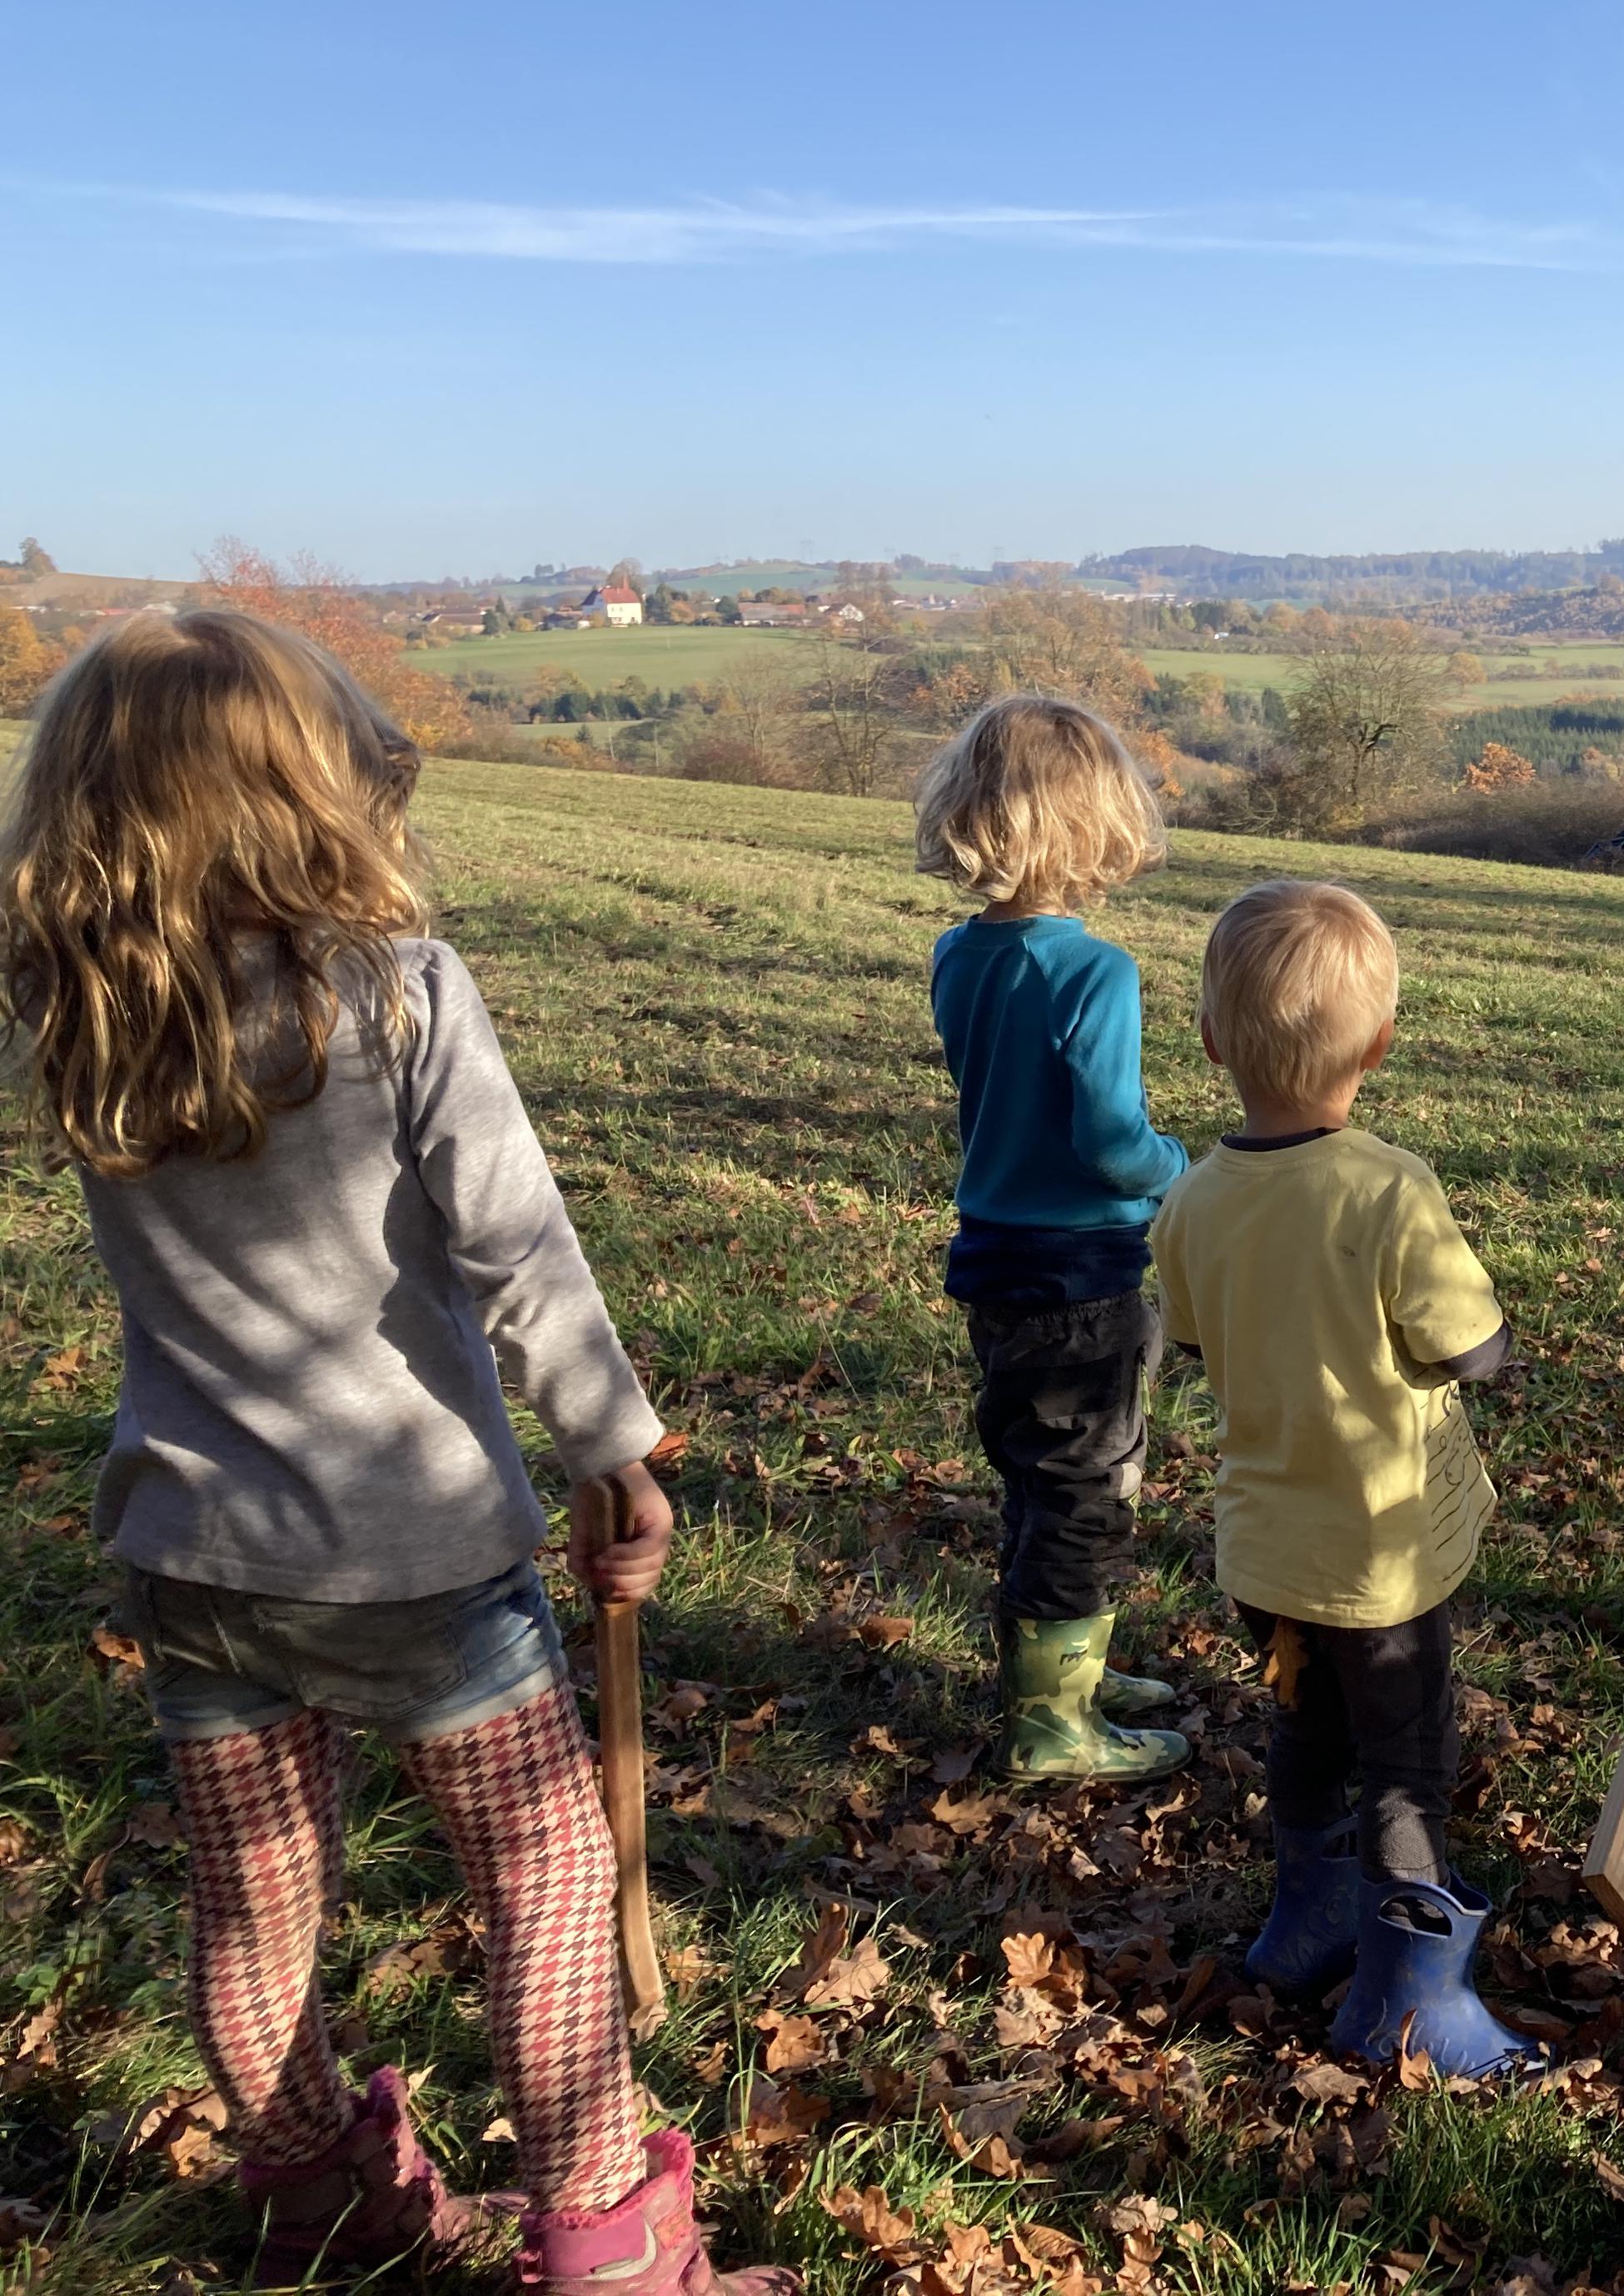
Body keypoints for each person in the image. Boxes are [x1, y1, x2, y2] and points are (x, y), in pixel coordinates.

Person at [0, 612, 788, 2296]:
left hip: (196, 1552)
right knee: (549, 1876)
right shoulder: (399, 991)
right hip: (415, 1558)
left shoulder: (79, 1004)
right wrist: (616, 1449)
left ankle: (318, 2201)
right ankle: (603, 2240)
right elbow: (517, 1252)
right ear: (304, 791)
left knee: (251, 1905)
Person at [1148, 880, 1536, 2078]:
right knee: (1405, 1764)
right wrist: (1490, 1351)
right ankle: (1408, 1997)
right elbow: (1471, 1344)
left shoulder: (1192, 1198)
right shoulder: (1387, 1188)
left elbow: (1196, 1337)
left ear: (1212, 1042)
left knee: (1305, 1729)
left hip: (1264, 1556)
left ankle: (1305, 1918)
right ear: (1379, 1043)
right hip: (1385, 1562)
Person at [914, 695, 1189, 1784]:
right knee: (1083, 1492)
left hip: (995, 1259)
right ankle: (1049, 1725)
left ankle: (1062, 1670)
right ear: (1098, 821)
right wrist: (1188, 1176)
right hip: (1083, 1271)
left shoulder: (958, 955)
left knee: (1038, 1478)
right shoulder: (1094, 973)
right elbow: (1115, 1141)